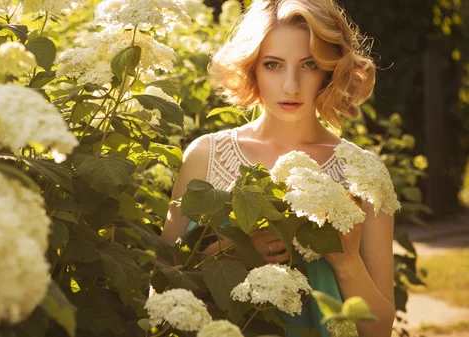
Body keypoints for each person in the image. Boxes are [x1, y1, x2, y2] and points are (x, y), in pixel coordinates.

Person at [160, 0, 396, 336]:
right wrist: (233, 254)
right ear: (251, 67)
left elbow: (381, 330)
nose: (291, 85)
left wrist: (347, 262)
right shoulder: (205, 155)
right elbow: (163, 285)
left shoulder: (364, 173)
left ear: (331, 69)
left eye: (309, 64)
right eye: (273, 64)